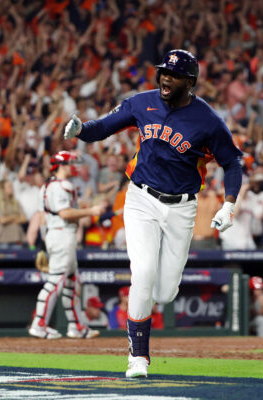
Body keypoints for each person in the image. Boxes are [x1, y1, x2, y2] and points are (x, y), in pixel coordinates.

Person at [64, 49, 242, 377]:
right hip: (141, 198)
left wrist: (229, 204)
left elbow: (232, 162)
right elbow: (101, 128)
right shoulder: (141, 102)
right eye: (163, 72)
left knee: (165, 292)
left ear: (189, 82)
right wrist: (80, 130)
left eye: (173, 75)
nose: (165, 78)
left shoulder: (207, 120)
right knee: (142, 273)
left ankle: (145, 333)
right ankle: (138, 357)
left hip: (182, 207)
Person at [29, 151, 106, 339]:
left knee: (72, 282)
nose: (75, 166)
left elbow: (43, 218)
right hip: (63, 235)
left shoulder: (47, 186)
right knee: (56, 281)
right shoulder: (62, 186)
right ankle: (39, 324)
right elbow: (64, 213)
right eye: (71, 163)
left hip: (56, 235)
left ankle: (76, 326)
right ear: (62, 166)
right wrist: (92, 210)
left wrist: (43, 244)